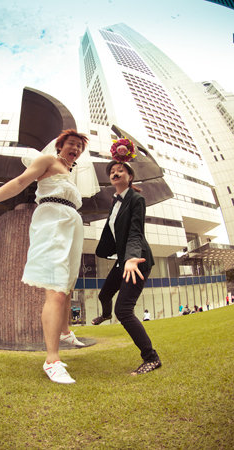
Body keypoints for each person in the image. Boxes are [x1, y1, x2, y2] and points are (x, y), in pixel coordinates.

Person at [0, 129, 91, 384]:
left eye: (79, 147)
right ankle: (52, 360)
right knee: (56, 289)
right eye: (71, 144)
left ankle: (64, 332)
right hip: (52, 223)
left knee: (67, 284)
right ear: (60, 146)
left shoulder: (72, 176)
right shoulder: (47, 161)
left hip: (72, 225)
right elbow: (20, 182)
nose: (75, 149)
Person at [91, 139, 161, 376]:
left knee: (125, 310)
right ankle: (105, 314)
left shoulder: (136, 200)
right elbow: (114, 232)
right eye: (112, 171)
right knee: (104, 294)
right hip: (123, 260)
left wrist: (130, 258)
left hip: (137, 260)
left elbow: (135, 232)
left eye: (120, 170)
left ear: (130, 176)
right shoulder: (115, 202)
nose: (115, 172)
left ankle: (151, 358)